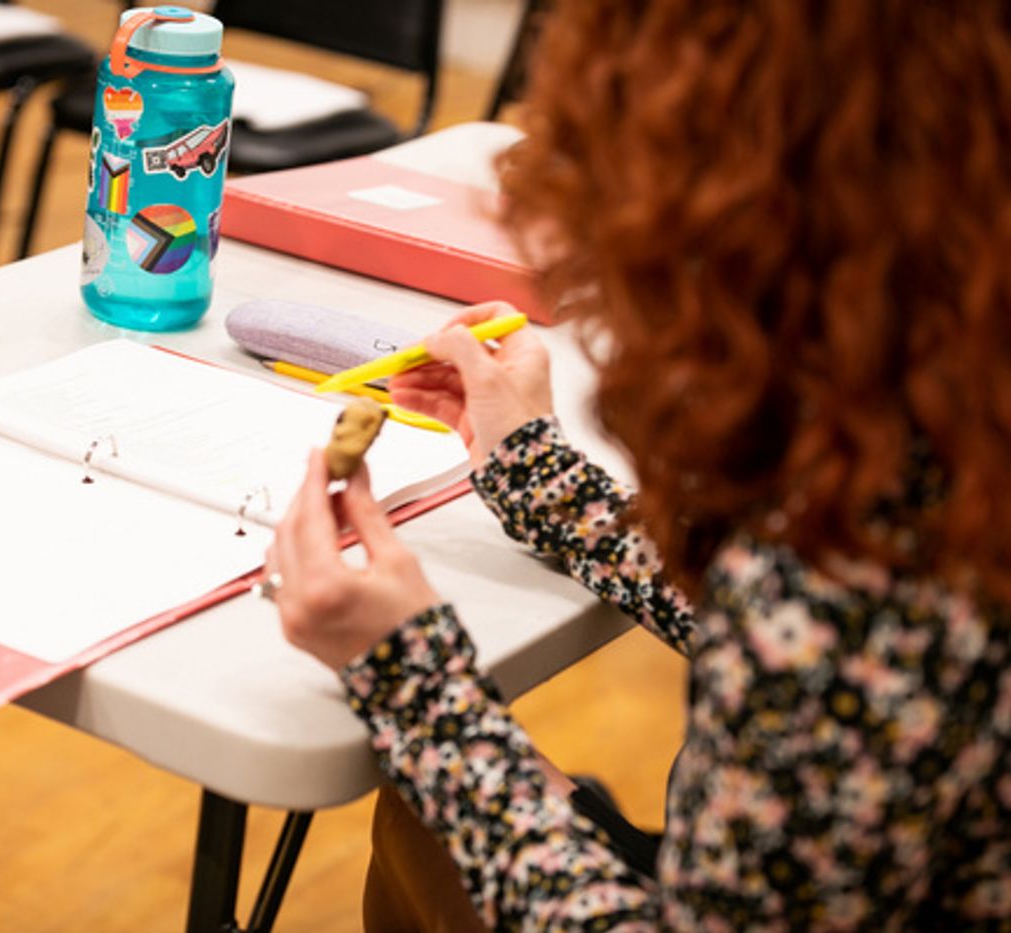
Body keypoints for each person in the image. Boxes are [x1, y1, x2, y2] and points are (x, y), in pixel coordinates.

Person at [262, 0, 1011, 928]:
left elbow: (822, 646)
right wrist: (543, 478)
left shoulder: (849, 586)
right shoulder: (949, 404)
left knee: (429, 820)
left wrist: (416, 684)